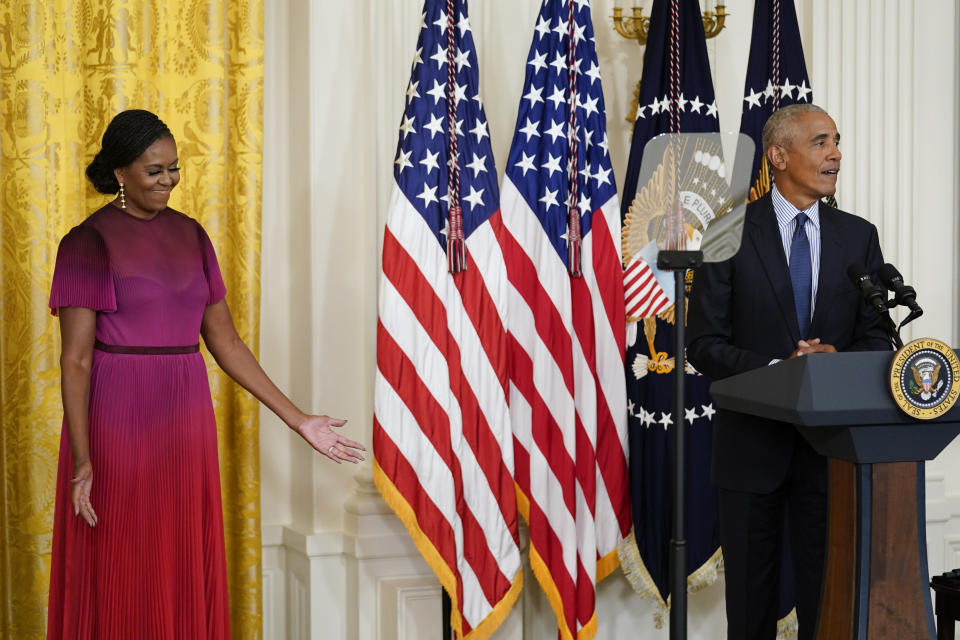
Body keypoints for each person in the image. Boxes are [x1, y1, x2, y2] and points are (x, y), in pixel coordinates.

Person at [46, 109, 364, 639]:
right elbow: (75, 360)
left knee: (177, 550)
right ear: (120, 172)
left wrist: (299, 420)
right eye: (154, 171)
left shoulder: (192, 236)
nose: (168, 180)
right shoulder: (86, 241)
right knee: (126, 557)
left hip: (186, 415)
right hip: (119, 419)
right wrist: (82, 459)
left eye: (174, 168)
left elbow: (226, 342)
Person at [686, 104, 891, 640]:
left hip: (831, 454)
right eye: (821, 142)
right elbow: (703, 344)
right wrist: (783, 370)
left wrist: (834, 366)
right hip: (751, 452)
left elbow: (875, 336)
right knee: (750, 609)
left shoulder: (858, 237)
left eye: (837, 141)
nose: (836, 155)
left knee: (828, 603)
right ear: (778, 155)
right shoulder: (727, 231)